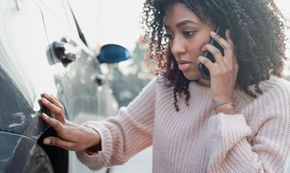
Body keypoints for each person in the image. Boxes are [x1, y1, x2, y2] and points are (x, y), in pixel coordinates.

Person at [41, 0, 290, 172]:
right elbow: (123, 132)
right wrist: (87, 136)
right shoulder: (170, 86)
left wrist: (223, 105)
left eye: (188, 32)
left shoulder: (274, 96)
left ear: (230, 34)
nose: (176, 47)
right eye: (171, 35)